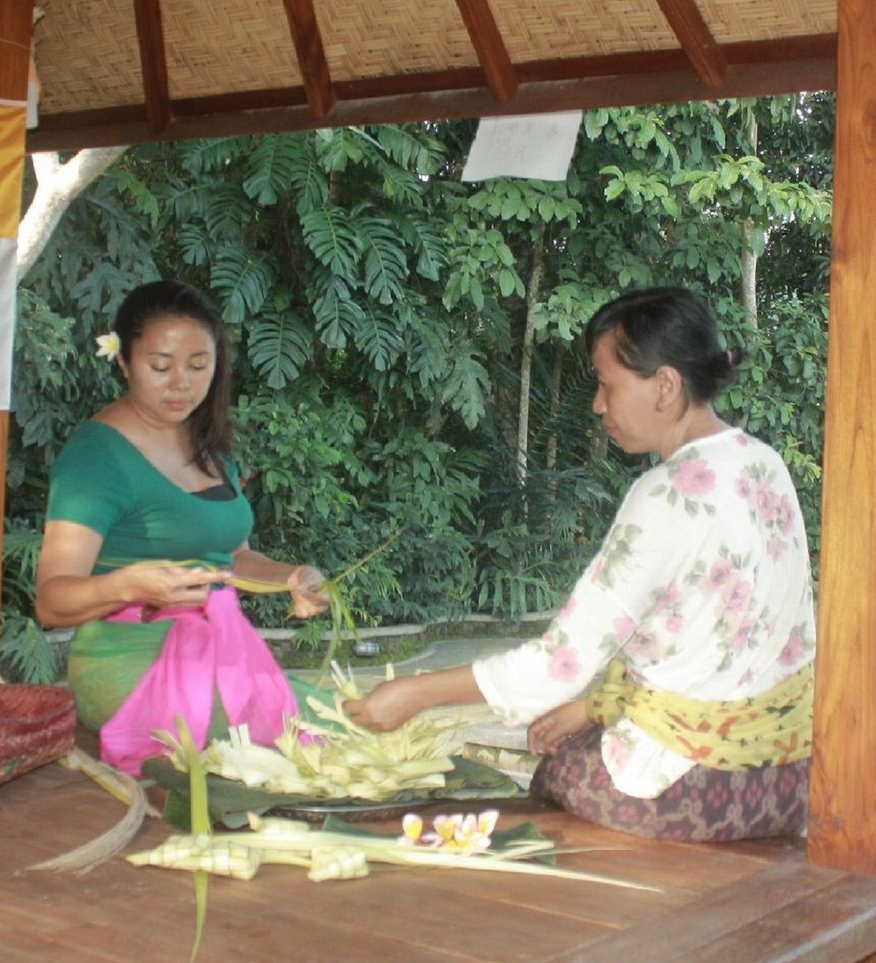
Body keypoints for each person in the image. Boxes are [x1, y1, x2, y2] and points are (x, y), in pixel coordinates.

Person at [345, 287, 815, 841]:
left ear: (665, 386)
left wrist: (413, 694)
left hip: (698, 795)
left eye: (607, 384)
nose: (597, 404)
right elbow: (710, 653)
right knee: (571, 739)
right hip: (786, 781)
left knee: (553, 777)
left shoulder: (668, 494)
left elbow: (556, 665)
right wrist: (595, 708)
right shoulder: (764, 462)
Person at [36, 280, 327, 772]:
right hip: (127, 662)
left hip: (219, 651)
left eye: (198, 366)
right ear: (124, 362)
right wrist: (132, 585)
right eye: (160, 366)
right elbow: (51, 602)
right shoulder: (97, 457)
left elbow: (234, 557)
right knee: (278, 749)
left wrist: (294, 577)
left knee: (342, 719)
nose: (181, 384)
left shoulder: (209, 445)